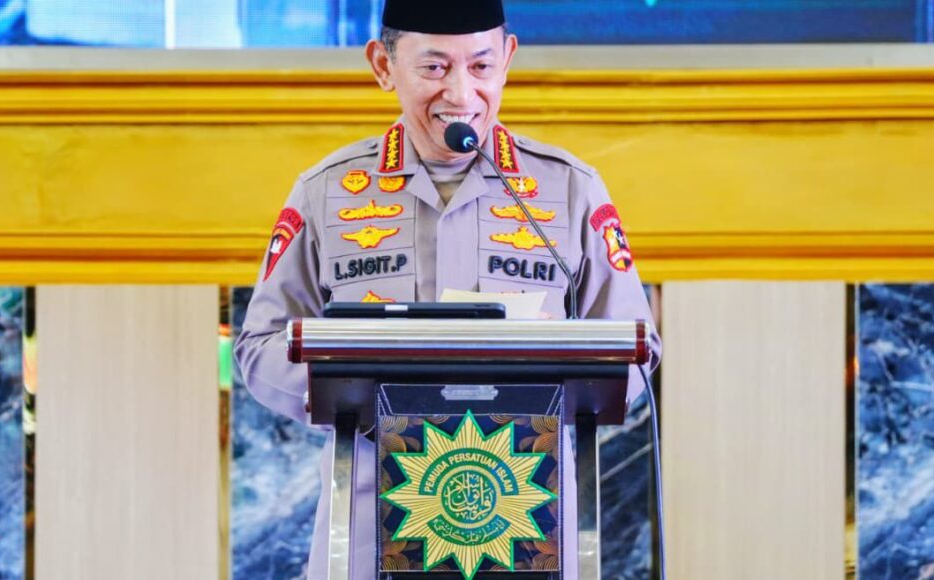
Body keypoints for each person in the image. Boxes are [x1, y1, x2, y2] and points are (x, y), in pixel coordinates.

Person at [234, 0, 661, 577]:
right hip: (369, 524)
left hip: (526, 521)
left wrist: (544, 381)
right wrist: (364, 397)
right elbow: (259, 346)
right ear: (383, 65)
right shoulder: (328, 192)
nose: (461, 94)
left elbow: (635, 351)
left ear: (507, 59)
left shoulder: (569, 190)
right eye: (434, 68)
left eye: (481, 66)